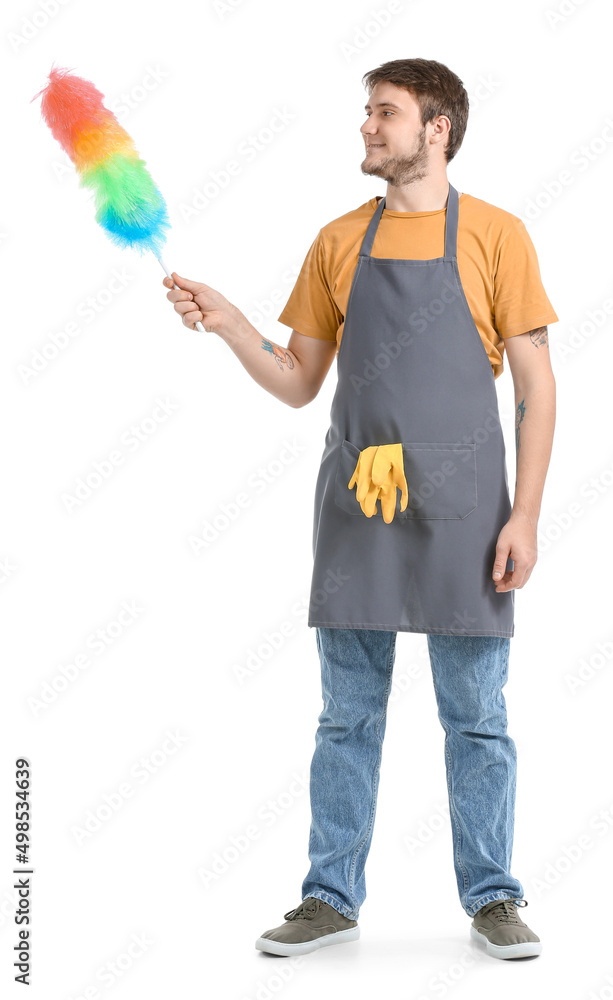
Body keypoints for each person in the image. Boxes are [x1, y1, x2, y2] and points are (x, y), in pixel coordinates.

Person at [163, 57, 557, 962]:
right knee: (346, 716)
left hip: (466, 510)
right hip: (357, 508)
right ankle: (329, 896)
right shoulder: (339, 241)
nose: (367, 128)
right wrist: (230, 324)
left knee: (477, 716)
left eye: (385, 114)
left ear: (437, 129)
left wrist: (525, 514)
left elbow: (535, 383)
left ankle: (493, 896)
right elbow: (300, 379)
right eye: (366, 114)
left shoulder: (497, 234)